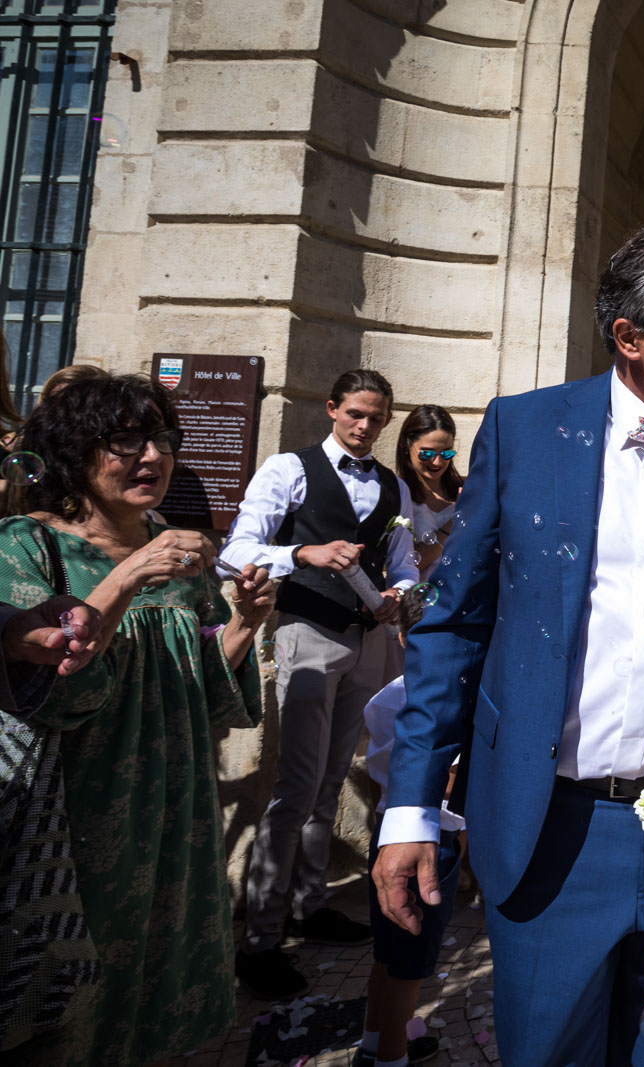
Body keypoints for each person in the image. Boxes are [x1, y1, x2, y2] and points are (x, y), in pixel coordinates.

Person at [374, 222, 644, 1065]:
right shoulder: (524, 432)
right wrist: (410, 807)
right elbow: (453, 625)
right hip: (548, 836)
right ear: (628, 337)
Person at [0, 372, 276, 1065]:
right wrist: (124, 579)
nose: (152, 456)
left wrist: (244, 621)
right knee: (67, 1009)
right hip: (75, 831)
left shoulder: (175, 552)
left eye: (162, 439)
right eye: (125, 440)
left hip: (174, 828)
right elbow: (57, 696)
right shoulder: (26, 547)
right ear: (72, 450)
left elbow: (208, 693)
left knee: (158, 1010)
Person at [223, 369, 420, 998]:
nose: (365, 427)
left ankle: (309, 906)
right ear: (333, 408)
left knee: (332, 780)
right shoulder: (290, 469)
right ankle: (258, 938)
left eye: (377, 418)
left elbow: (406, 563)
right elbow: (237, 550)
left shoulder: (391, 485)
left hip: (367, 641)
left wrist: (400, 593)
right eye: (356, 414)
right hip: (307, 633)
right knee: (296, 786)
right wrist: (300, 556)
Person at [356, 595, 457, 1067]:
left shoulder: (384, 699)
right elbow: (446, 777)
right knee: (411, 963)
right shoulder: (446, 702)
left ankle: (373, 1043)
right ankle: (393, 1058)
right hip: (427, 843)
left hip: (384, 832)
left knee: (388, 951)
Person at [393, 405, 462, 580]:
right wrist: (454, 523)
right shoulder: (397, 493)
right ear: (407, 446)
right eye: (427, 453)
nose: (437, 462)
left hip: (462, 600)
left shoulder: (466, 489)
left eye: (446, 453)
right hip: (417, 601)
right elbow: (407, 564)